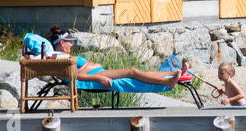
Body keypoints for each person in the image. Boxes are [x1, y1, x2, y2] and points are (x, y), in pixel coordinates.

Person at [47, 27, 192, 89]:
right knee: (132, 72)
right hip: (95, 75)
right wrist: (98, 78)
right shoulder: (60, 59)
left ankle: (174, 74)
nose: (71, 44)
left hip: (97, 71)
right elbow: (75, 75)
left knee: (139, 72)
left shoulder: (65, 56)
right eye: (69, 42)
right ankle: (167, 82)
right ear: (62, 43)